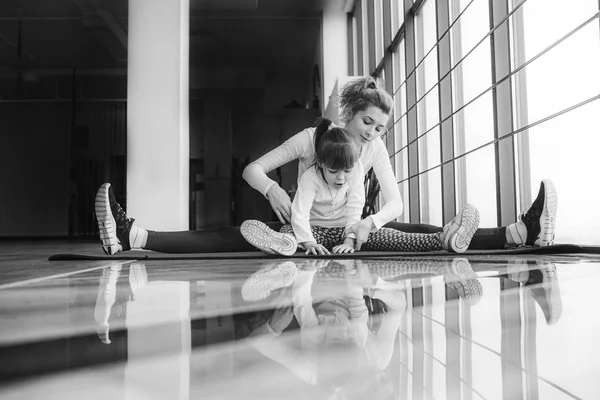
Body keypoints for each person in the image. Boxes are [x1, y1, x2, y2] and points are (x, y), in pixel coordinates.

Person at [94, 77, 557, 255]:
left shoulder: (373, 151)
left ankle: (521, 233)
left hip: (354, 230)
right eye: (367, 123)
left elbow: (394, 202)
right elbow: (252, 170)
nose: (374, 133)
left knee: (424, 230)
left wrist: (366, 225)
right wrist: (275, 191)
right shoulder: (310, 140)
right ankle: (133, 235)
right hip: (304, 227)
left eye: (380, 127)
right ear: (348, 115)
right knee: (233, 232)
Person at [239, 118, 480, 256]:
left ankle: (445, 239)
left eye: (379, 128)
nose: (340, 178)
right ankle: (287, 245)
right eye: (367, 122)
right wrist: (308, 242)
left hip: (347, 229)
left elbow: (357, 206)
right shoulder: (310, 174)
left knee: (392, 237)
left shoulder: (359, 163)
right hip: (315, 230)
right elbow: (299, 212)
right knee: (288, 231)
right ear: (321, 163)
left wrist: (351, 239)